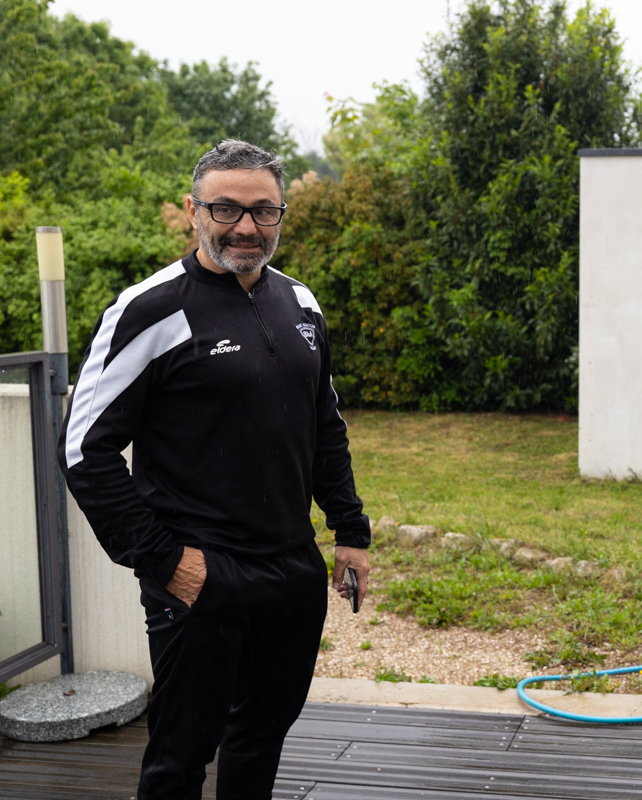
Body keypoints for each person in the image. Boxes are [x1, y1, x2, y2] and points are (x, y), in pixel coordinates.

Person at [58, 140, 372, 798]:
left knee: (261, 740)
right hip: (200, 576)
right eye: (226, 208)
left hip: (291, 570)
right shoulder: (150, 309)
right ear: (194, 211)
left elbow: (325, 424)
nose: (246, 227)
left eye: (264, 211)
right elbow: (83, 448)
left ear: (280, 215)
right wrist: (165, 560)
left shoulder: (302, 304)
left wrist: (350, 530)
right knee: (180, 757)